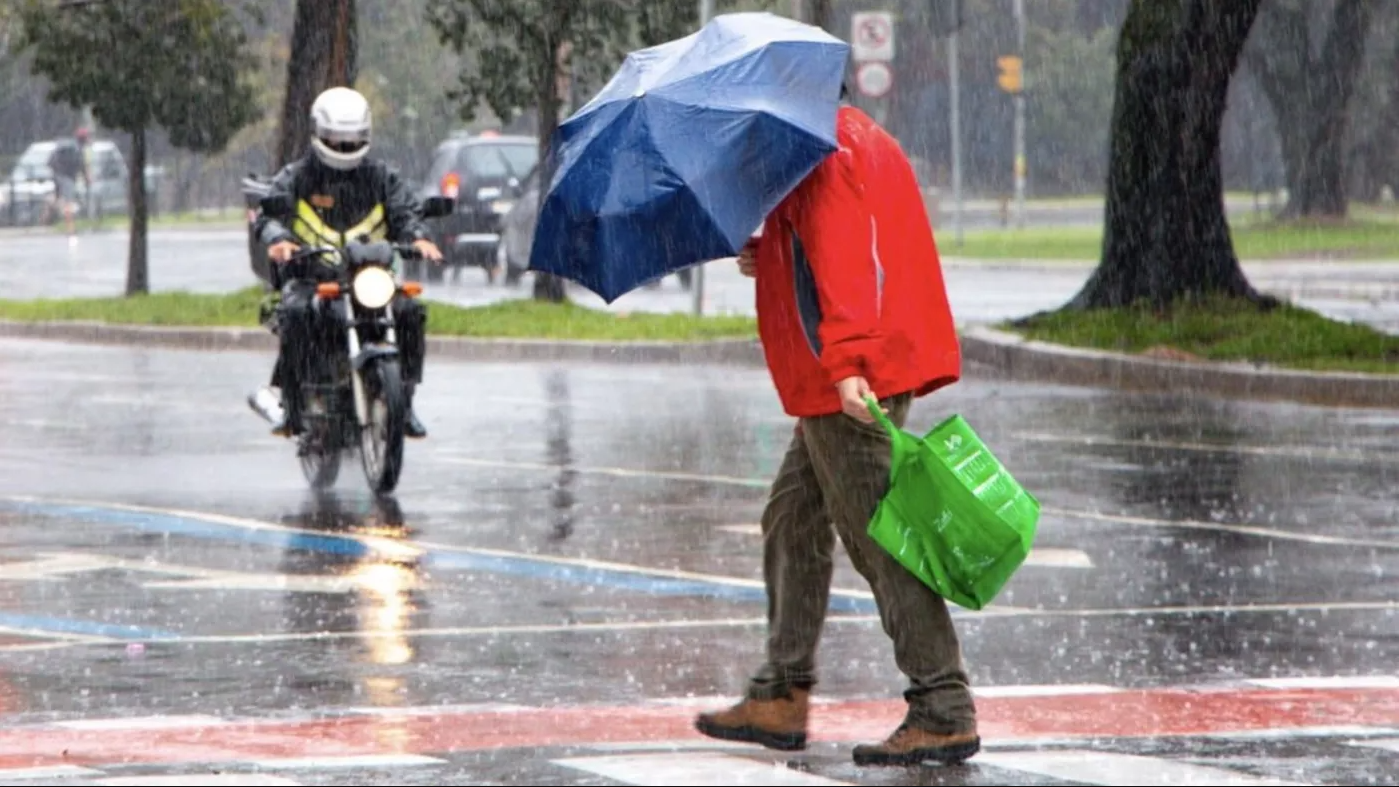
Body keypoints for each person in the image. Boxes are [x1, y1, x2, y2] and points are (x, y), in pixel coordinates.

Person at [693, 93, 977, 766]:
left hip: (848, 374)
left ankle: (942, 703)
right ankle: (780, 690)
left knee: (879, 532)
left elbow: (848, 255)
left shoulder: (820, 152)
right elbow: (842, 244)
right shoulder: (851, 136)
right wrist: (773, 248)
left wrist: (848, 361)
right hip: (852, 366)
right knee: (792, 516)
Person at [252, 86, 443, 439]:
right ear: (318, 134)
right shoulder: (298, 176)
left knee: (409, 310)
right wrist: (277, 239)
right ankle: (292, 408)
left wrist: (418, 237)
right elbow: (267, 213)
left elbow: (405, 211)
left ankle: (406, 401)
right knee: (296, 313)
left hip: (369, 275)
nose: (344, 147)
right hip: (313, 277)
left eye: (352, 140)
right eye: (336, 140)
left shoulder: (380, 177)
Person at [44, 127, 90, 243]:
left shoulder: (68, 145)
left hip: (57, 174)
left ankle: (47, 212)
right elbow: (82, 166)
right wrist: (87, 180)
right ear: (84, 139)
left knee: (57, 197)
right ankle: (70, 229)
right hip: (67, 178)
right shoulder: (78, 149)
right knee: (68, 203)